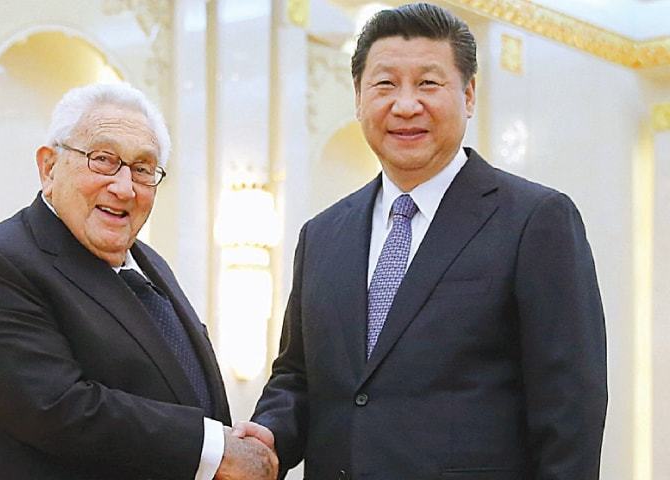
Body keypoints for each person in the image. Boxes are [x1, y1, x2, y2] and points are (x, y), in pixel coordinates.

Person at [248, 3, 607, 479]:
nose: (405, 105)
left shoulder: (535, 220)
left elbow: (570, 411)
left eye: (428, 83)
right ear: (358, 97)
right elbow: (298, 376)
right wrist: (267, 436)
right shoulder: (322, 234)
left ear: (469, 94)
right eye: (385, 84)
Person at [0, 83, 277, 479]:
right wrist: (215, 448)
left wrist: (233, 441)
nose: (124, 187)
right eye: (103, 160)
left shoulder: (152, 267)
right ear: (49, 167)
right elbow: (59, 408)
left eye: (143, 169)